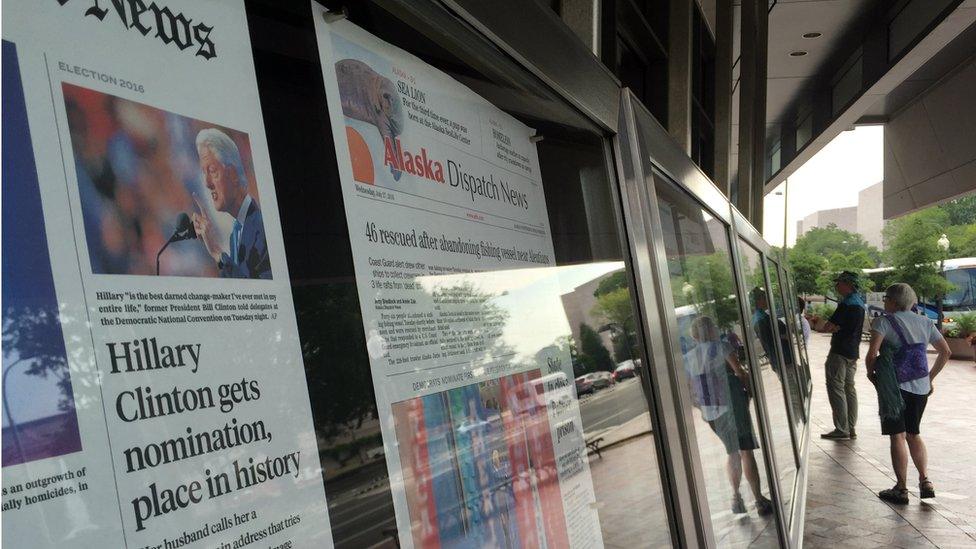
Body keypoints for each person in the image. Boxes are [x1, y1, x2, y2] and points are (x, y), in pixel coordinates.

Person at [864, 283, 950, 504]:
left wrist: (871, 373)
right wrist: (929, 378)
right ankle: (925, 480)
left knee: (897, 435)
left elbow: (872, 353)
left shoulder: (883, 322)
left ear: (893, 301)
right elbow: (945, 352)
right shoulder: (925, 322)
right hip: (921, 387)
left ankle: (901, 488)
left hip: (895, 388)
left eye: (886, 299)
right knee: (913, 433)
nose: (884, 303)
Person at [683, 316, 773, 516]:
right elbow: (740, 372)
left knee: (732, 452)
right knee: (746, 451)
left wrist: (704, 410)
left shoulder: (688, 358)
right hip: (732, 406)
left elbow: (690, 393)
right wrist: (750, 391)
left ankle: (736, 498)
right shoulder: (722, 347)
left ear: (695, 335)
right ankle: (759, 500)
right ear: (711, 330)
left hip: (711, 412)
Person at [191, 128, 271, 279]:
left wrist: (216, 252)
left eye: (213, 171)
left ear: (233, 174)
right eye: (204, 173)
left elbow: (251, 292)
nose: (207, 183)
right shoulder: (236, 234)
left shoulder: (262, 228)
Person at [811, 271, 865, 440]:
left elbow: (827, 326)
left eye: (839, 283)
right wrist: (837, 328)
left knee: (836, 388)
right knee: (849, 388)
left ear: (848, 284)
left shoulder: (846, 304)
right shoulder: (860, 304)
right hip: (853, 352)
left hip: (839, 351)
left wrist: (834, 327)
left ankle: (841, 429)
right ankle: (851, 427)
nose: (836, 286)